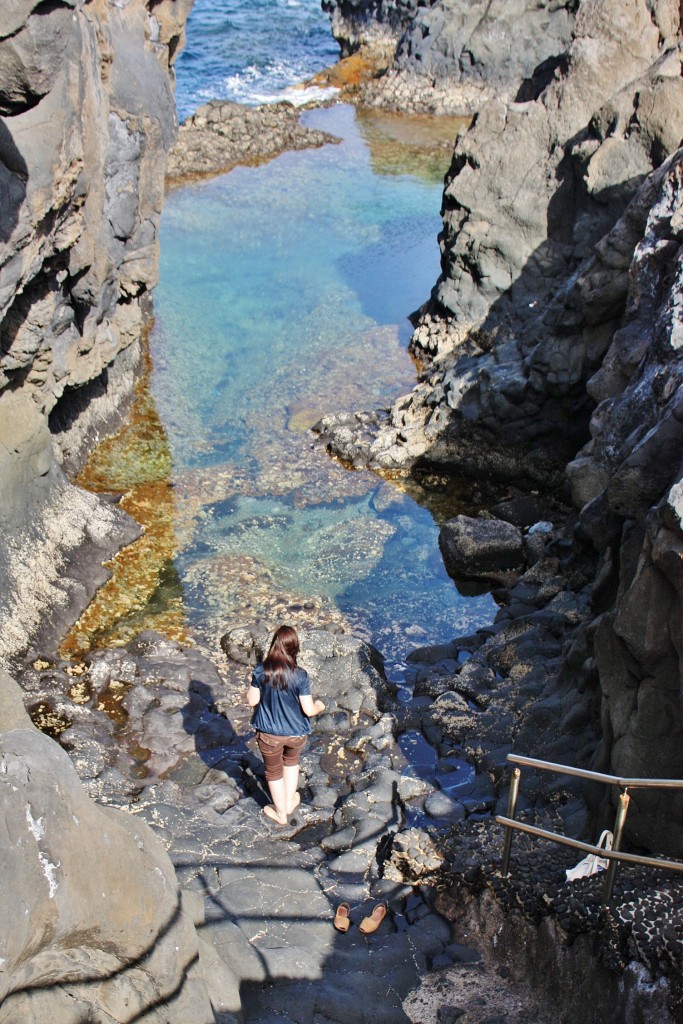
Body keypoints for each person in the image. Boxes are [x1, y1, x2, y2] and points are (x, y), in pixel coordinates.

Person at [247, 625, 325, 825]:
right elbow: (308, 710)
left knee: (273, 772)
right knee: (291, 764)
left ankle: (281, 813)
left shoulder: (261, 670)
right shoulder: (300, 675)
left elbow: (252, 701)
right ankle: (289, 802)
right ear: (294, 648)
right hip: (296, 733)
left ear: (274, 645)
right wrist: (319, 706)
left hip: (269, 734)